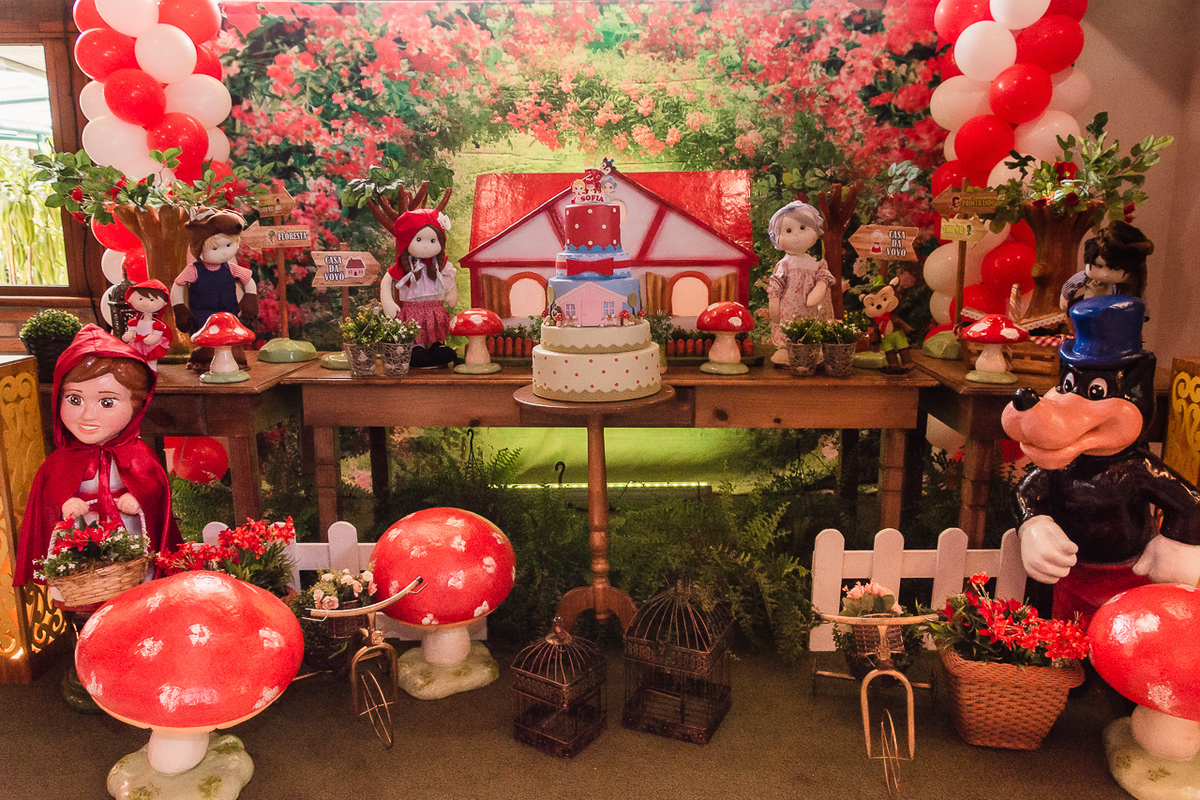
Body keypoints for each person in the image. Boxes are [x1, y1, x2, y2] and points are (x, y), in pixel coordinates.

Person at [14, 325, 181, 591]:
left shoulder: (138, 456)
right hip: (80, 548)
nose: (87, 415)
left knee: (136, 585)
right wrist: (64, 504)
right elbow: (46, 504)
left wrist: (139, 498)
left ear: (137, 405)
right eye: (74, 399)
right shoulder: (60, 462)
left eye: (107, 402)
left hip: (130, 540)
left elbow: (155, 493)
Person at [381, 208, 458, 368]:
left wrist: (451, 295)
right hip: (411, 311)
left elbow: (449, 281)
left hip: (436, 309)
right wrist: (388, 302)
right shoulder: (405, 266)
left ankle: (436, 346)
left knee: (435, 331)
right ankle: (417, 348)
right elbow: (387, 280)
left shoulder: (441, 266)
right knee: (415, 336)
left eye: (432, 241)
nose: (426, 246)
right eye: (418, 240)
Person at [766, 201, 836, 365]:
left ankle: (813, 349)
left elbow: (823, 280)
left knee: (812, 325)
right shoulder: (784, 264)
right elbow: (776, 286)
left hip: (811, 309)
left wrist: (819, 289)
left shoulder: (817, 264)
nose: (796, 235)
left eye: (803, 228)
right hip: (789, 309)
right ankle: (786, 349)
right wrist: (774, 303)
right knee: (789, 327)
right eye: (788, 231)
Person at [121, 279, 171, 370]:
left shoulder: (157, 324)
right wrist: (129, 334)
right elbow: (132, 330)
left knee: (152, 360)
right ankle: (140, 371)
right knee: (137, 358)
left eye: (151, 300)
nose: (144, 303)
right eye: (140, 299)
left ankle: (152, 370)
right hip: (137, 342)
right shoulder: (134, 321)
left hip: (150, 344)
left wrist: (153, 338)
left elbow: (157, 334)